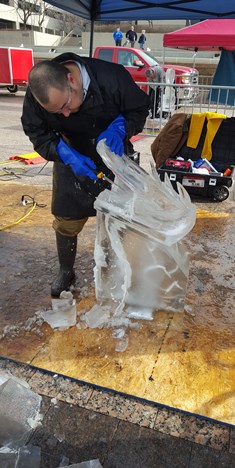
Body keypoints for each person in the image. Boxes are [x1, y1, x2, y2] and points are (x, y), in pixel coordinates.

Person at [21, 53, 150, 297]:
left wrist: (121, 127)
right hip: (72, 155)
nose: (66, 114)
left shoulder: (113, 78)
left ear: (71, 80)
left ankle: (118, 269)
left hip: (114, 153)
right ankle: (65, 270)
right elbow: (36, 132)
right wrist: (63, 153)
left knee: (120, 218)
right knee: (66, 219)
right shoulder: (38, 93)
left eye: (66, 105)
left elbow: (140, 108)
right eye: (57, 112)